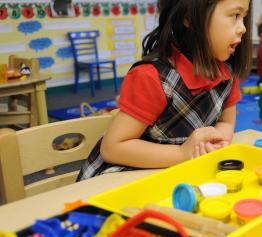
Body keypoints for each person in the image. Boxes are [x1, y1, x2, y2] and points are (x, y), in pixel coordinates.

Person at [77, 0, 252, 180]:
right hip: (122, 178)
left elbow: (226, 123)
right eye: (235, 15)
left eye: (244, 17)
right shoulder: (151, 77)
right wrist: (182, 153)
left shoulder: (226, 74)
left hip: (176, 174)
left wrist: (216, 141)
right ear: (189, 17)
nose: (243, 28)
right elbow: (112, 148)